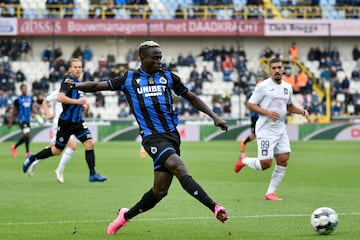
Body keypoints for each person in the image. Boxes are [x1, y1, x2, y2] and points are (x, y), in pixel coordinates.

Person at [64, 41, 229, 235]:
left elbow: (191, 97)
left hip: (172, 137)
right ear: (142, 58)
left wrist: (214, 116)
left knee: (159, 192)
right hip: (152, 138)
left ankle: (124, 217)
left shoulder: (168, 77)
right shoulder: (129, 79)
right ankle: (215, 207)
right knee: (179, 166)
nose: (159, 60)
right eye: (155, 57)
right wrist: (77, 85)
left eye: (160, 57)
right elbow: (98, 85)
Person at [234, 57, 309, 201]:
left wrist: (301, 111)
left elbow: (289, 106)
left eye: (279, 67)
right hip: (265, 129)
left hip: (280, 128)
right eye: (273, 68)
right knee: (265, 164)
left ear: (283, 69)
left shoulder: (287, 87)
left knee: (283, 159)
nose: (277, 70)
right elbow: (250, 104)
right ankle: (243, 160)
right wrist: (267, 112)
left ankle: (270, 193)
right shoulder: (262, 86)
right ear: (270, 71)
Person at [22, 58, 107, 183]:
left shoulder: (79, 84)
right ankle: (32, 158)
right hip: (66, 123)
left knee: (90, 143)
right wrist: (78, 102)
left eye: (80, 67)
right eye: (75, 67)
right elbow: (61, 98)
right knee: (56, 150)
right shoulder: (67, 82)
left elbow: (82, 107)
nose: (78, 69)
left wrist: (85, 107)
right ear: (70, 69)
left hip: (78, 122)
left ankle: (92, 174)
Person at [27, 89, 82, 183]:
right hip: (59, 123)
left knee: (53, 149)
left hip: (69, 123)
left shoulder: (75, 93)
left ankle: (34, 162)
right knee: (72, 146)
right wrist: (48, 113)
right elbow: (45, 101)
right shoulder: (58, 92)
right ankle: (59, 170)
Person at [8, 84, 34, 157]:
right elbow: (13, 111)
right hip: (21, 120)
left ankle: (14, 147)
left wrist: (38, 112)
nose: (24, 90)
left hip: (28, 120)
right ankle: (27, 152)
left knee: (26, 136)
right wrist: (10, 121)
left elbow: (31, 109)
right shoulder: (17, 99)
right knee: (27, 133)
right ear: (20, 90)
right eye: (23, 89)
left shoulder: (30, 98)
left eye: (25, 88)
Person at [239, 77, 263, 153]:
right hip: (255, 116)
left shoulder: (266, 92)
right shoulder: (253, 93)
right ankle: (244, 143)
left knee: (263, 134)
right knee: (254, 135)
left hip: (263, 116)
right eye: (259, 83)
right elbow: (248, 104)